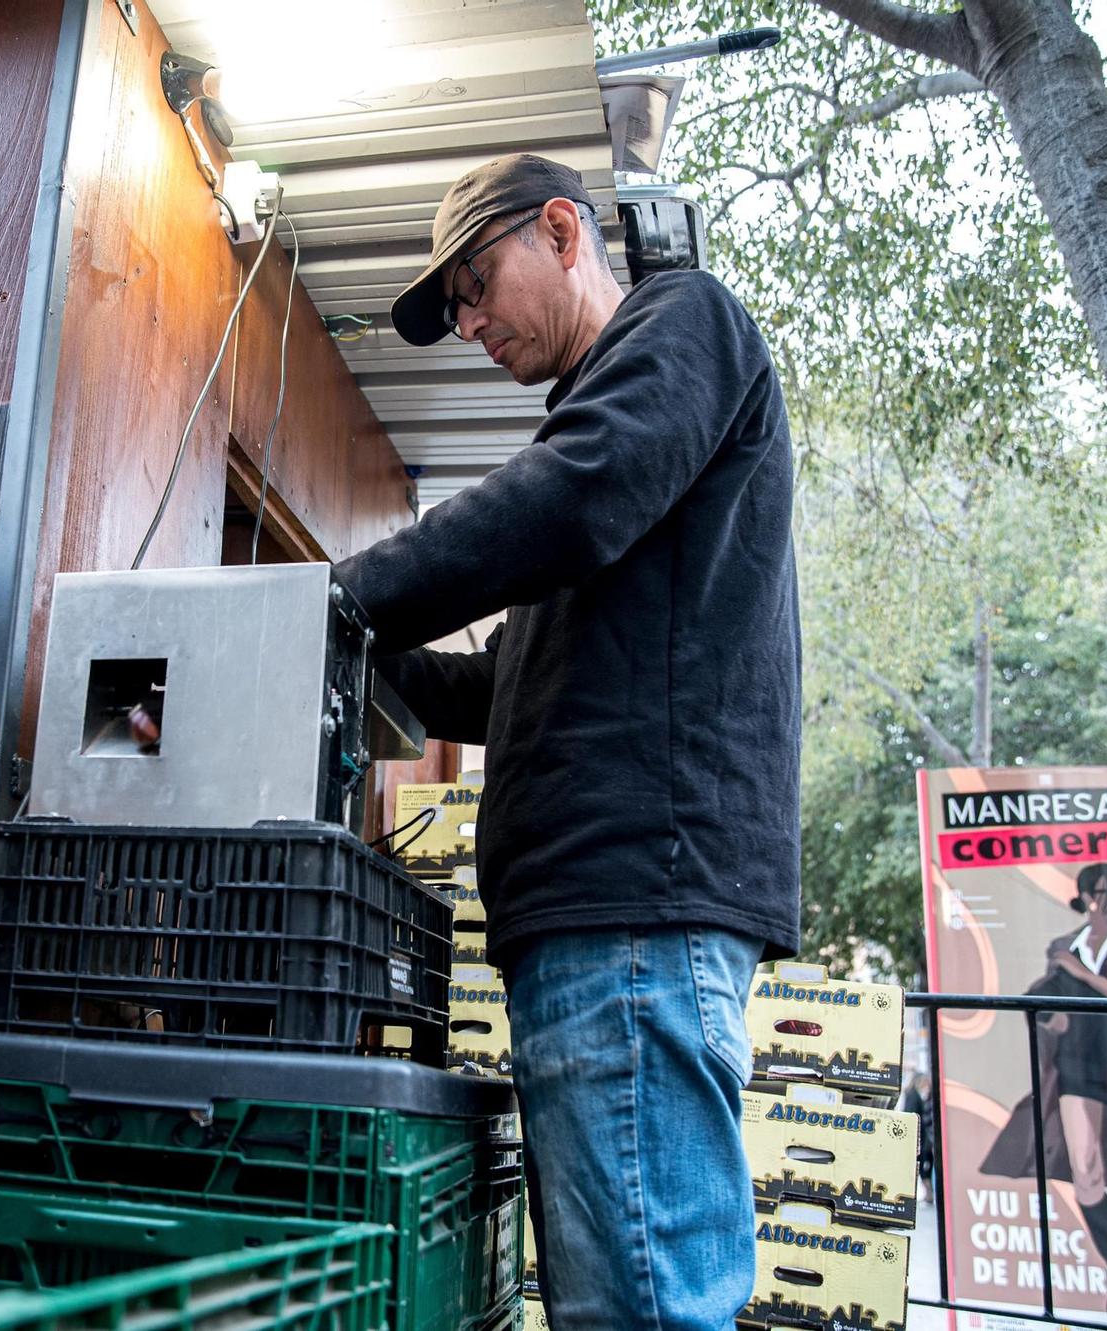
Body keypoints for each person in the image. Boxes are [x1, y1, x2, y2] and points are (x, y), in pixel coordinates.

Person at [332, 154, 801, 1331]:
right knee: (613, 1300)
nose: (471, 322)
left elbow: (574, 489)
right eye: (454, 313)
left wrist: (335, 597)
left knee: (641, 1309)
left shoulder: (680, 324)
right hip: (587, 923)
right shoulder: (601, 471)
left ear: (560, 229)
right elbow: (502, 685)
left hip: (632, 904)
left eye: (478, 284)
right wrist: (344, 653)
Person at [980, 862, 1107, 1320]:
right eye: (1097, 893)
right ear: (1083, 898)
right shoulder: (1065, 946)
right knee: (1086, 1168)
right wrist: (1049, 1017)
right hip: (1075, 1064)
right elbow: (1048, 994)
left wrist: (1084, 974)